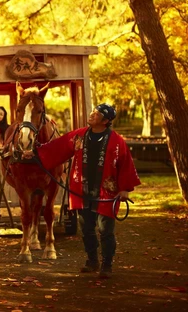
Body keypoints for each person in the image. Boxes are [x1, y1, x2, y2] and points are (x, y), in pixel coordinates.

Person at [22, 103, 140, 279]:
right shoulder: (79, 135)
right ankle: (92, 261)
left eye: (97, 114)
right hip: (82, 191)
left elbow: (125, 165)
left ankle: (107, 264)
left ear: (106, 120)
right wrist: (36, 153)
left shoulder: (117, 141)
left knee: (106, 230)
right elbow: (57, 147)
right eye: (92, 111)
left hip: (106, 193)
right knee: (86, 229)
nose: (92, 114)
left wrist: (124, 190)